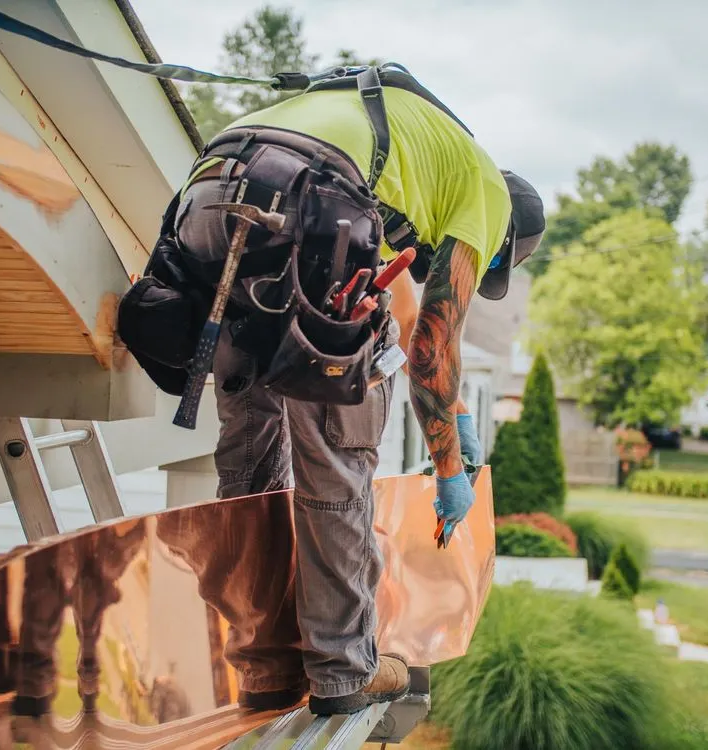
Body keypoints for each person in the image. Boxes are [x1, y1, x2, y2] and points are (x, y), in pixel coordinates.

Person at [167, 67, 545, 716]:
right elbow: (432, 348)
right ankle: (343, 673)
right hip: (306, 203)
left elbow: (406, 325)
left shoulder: (409, 171)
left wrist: (454, 414)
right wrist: (450, 469)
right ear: (504, 237)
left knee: (251, 459)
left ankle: (263, 666)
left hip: (207, 198)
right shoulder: (485, 191)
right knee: (338, 457)